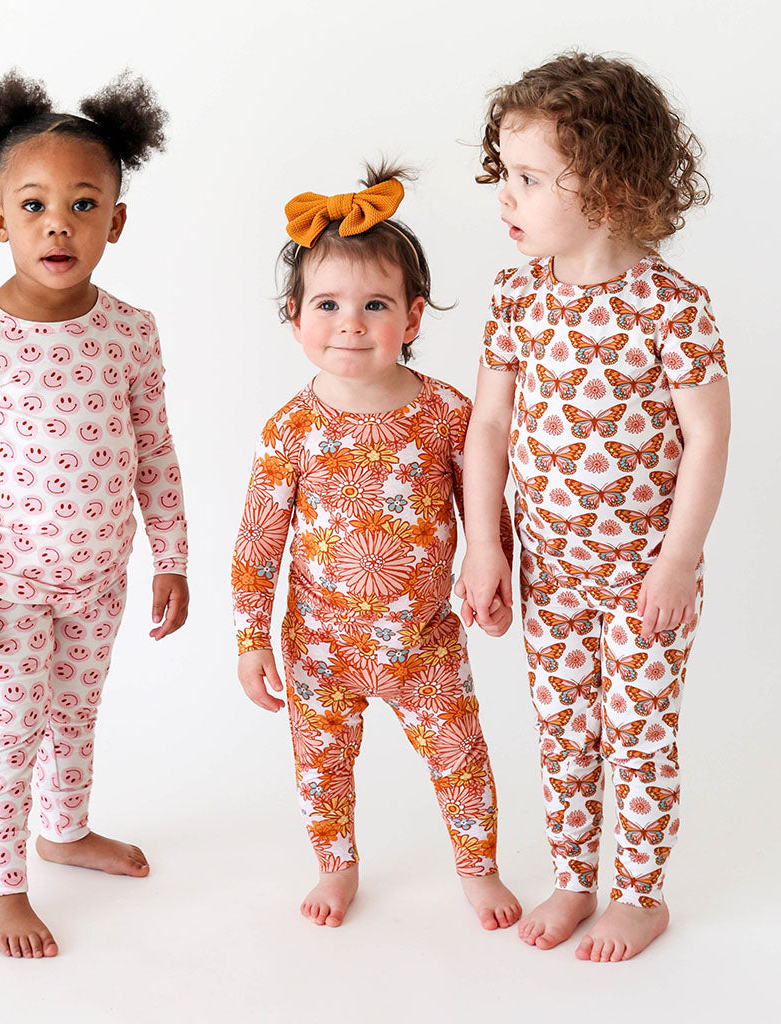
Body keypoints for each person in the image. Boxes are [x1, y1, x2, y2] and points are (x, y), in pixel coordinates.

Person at [456, 53, 730, 962]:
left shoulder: (672, 308)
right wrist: (486, 545)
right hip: (552, 573)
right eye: (505, 174)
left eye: (531, 179)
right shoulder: (516, 297)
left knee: (639, 737)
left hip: (646, 578)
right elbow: (488, 427)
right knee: (565, 731)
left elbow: (708, 440)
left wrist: (677, 561)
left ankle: (640, 896)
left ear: (610, 187)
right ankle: (574, 878)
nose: (507, 196)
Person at [0, 70, 189, 958]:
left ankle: (64, 830)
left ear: (117, 220)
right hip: (6, 584)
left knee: (75, 713)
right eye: (33, 205)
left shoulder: (132, 331)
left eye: (82, 204)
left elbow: (155, 452)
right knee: (8, 731)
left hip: (100, 578)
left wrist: (172, 558)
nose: (58, 224)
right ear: (1, 221)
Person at [232, 166, 521, 930]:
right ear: (295, 318)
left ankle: (479, 868)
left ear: (413, 316)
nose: (350, 324)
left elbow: (485, 508)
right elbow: (258, 542)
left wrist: (494, 579)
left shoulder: (448, 413)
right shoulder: (290, 430)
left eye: (375, 305)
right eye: (327, 304)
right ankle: (337, 867)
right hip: (320, 646)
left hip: (425, 641)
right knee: (321, 769)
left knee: (461, 756)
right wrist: (250, 638)